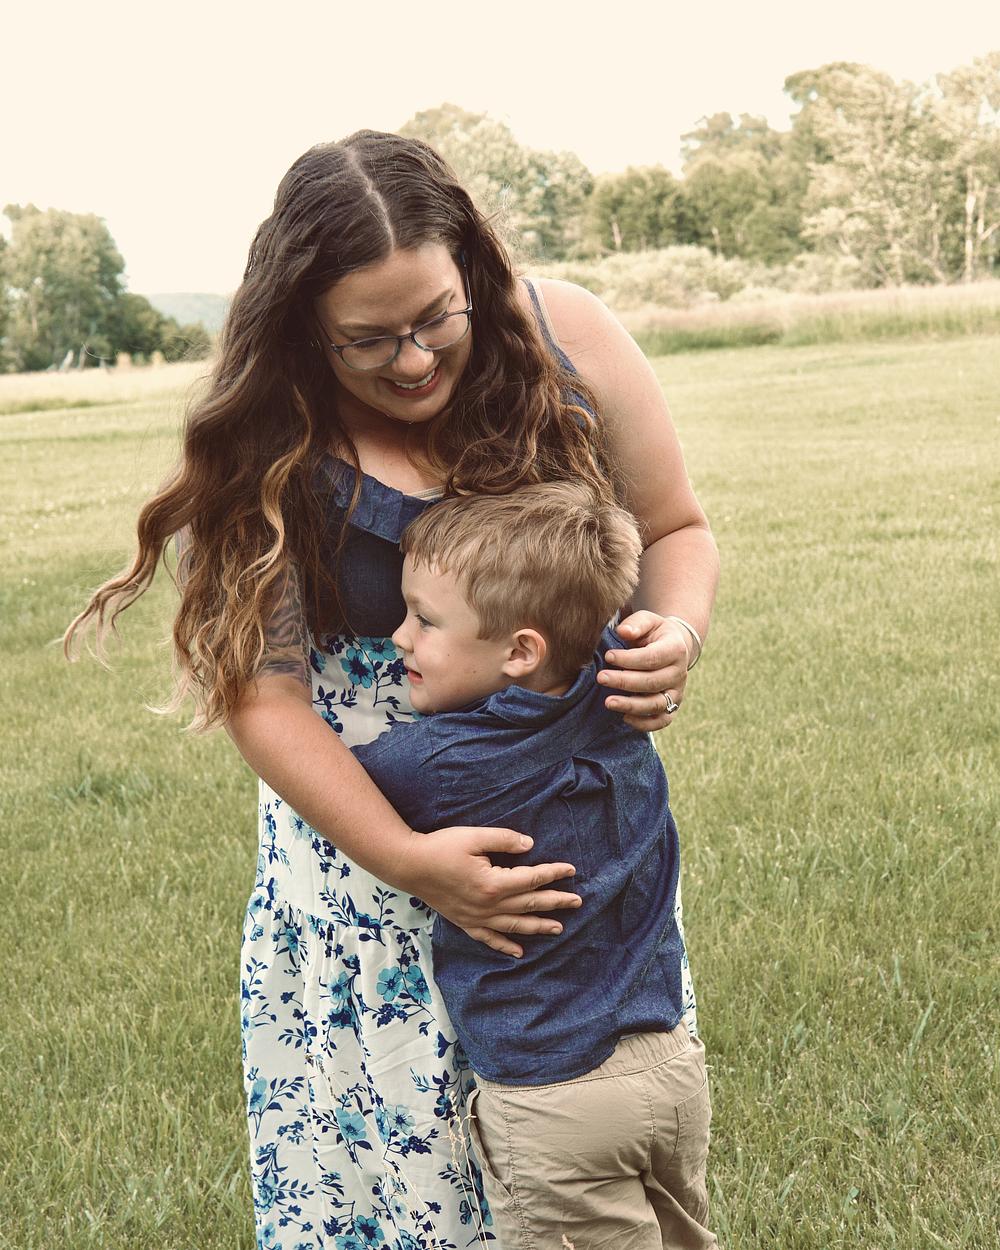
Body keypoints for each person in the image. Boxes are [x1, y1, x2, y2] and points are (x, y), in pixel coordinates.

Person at [65, 130, 719, 1249]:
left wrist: (677, 630)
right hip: (366, 858)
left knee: (589, 1172)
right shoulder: (271, 434)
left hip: (568, 849)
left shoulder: (566, 338)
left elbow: (673, 527)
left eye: (434, 319)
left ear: (471, 267)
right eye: (367, 340)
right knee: (407, 1188)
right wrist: (410, 860)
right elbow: (263, 695)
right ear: (304, 324)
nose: (412, 361)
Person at [347, 481, 716, 1250]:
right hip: (670, 1064)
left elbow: (327, 781)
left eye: (425, 619)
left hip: (551, 1095)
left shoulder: (435, 763)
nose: (399, 637)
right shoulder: (618, 688)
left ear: (520, 650)